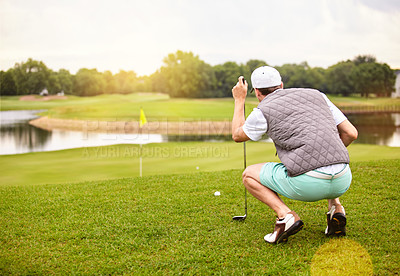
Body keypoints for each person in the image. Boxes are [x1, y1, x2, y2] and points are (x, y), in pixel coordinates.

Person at [231, 66, 358, 244]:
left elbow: (237, 135)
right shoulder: (318, 95)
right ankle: (336, 209)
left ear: (257, 92)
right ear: (281, 85)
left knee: (248, 175)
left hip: (308, 185)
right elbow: (351, 133)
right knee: (325, 154)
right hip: (343, 180)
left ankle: (285, 216)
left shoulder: (263, 110)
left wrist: (239, 99)